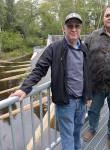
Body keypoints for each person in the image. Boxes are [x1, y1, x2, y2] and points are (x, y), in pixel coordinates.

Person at [11, 12, 92, 150]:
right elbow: (40, 69)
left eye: (77, 26)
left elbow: (87, 73)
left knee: (77, 132)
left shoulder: (84, 49)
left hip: (82, 100)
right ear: (64, 28)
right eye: (70, 26)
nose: (73, 29)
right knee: (67, 137)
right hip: (66, 102)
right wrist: (25, 88)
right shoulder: (55, 48)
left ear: (81, 29)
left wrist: (89, 95)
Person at [83, 5, 110, 148]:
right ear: (104, 18)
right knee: (93, 110)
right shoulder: (93, 36)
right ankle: (92, 129)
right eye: (107, 15)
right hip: (97, 84)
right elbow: (79, 52)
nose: (109, 17)